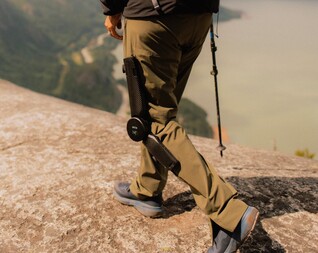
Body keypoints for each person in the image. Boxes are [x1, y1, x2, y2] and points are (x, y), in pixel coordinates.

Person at [100, 0, 259, 252]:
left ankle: (228, 212)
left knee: (153, 119)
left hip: (152, 18)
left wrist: (112, 7)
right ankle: (148, 186)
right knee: (161, 111)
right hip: (198, 15)